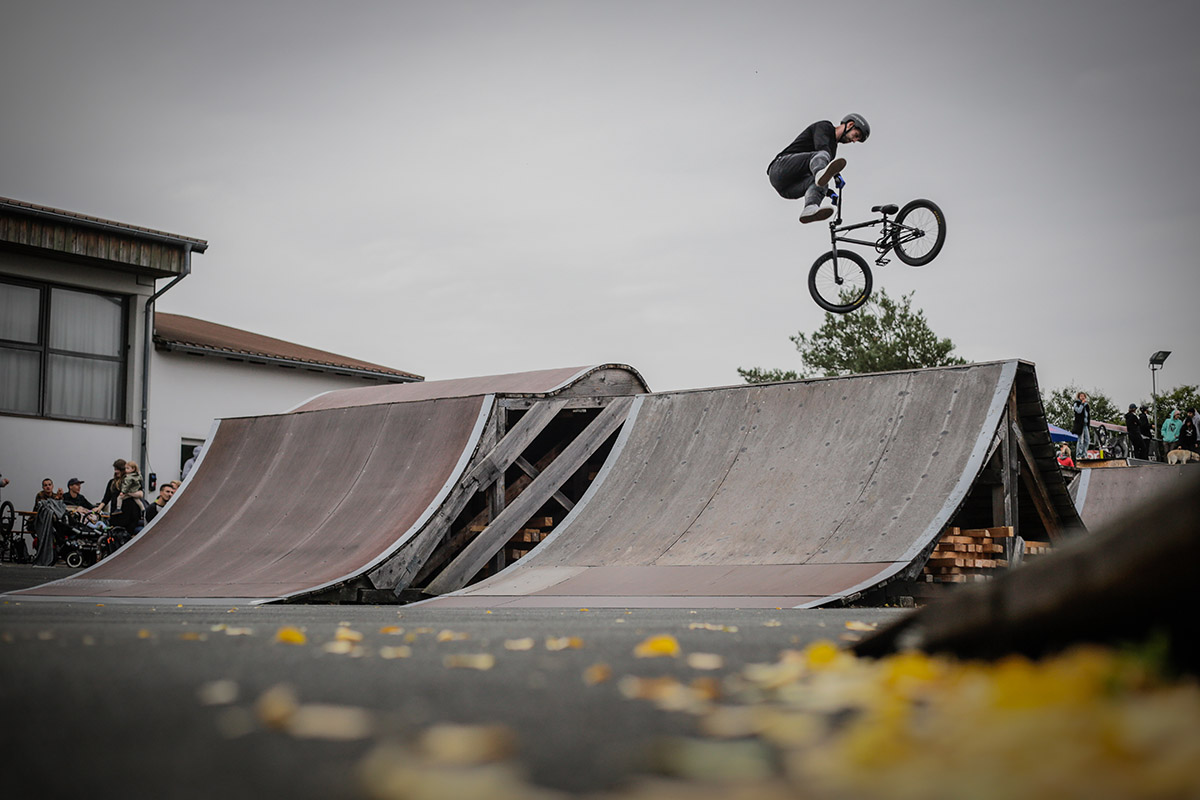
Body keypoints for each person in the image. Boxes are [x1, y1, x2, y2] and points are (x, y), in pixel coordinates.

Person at [768, 113, 870, 223]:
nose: (854, 141)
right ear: (850, 125)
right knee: (821, 156)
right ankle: (819, 174)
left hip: (787, 189)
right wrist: (835, 174)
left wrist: (829, 193)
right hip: (780, 168)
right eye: (856, 135)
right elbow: (821, 147)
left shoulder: (831, 152)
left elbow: (821, 175)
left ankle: (810, 208)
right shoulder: (825, 127)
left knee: (821, 182)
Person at [112, 460, 145, 533]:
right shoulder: (113, 482)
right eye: (115, 469)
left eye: (118, 469)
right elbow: (107, 497)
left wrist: (126, 493)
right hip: (119, 516)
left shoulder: (129, 480)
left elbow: (140, 494)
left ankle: (142, 509)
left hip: (130, 514)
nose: (116, 471)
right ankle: (143, 509)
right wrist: (100, 507)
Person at [1072, 392, 1091, 461]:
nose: (1083, 397)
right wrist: (1082, 404)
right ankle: (1078, 455)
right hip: (1080, 425)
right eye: (1081, 396)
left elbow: (1088, 415)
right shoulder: (1076, 403)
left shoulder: (1086, 405)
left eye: (1084, 396)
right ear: (1079, 397)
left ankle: (1084, 454)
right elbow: (1078, 411)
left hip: (1085, 424)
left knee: (1087, 440)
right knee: (1080, 440)